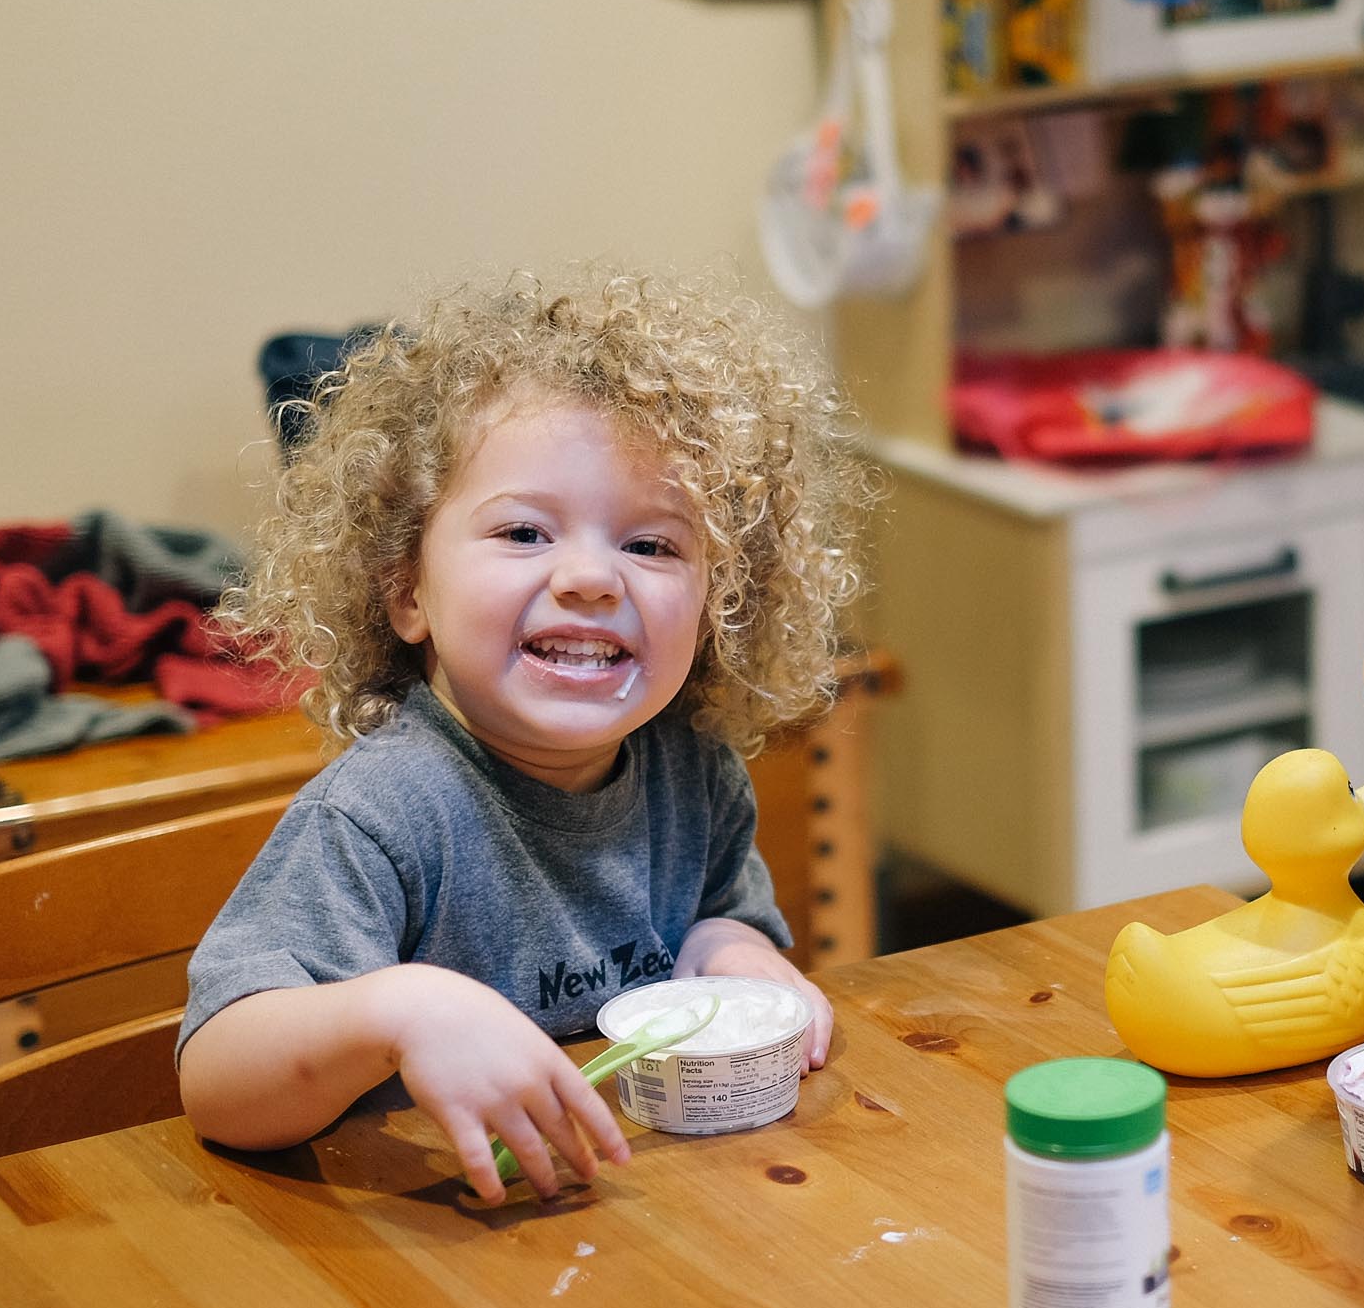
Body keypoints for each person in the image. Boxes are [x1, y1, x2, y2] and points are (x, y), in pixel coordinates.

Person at [179, 270, 869, 1205]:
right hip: (421, 1258)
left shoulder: (690, 772)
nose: (590, 576)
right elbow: (217, 1079)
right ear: (406, 590)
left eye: (653, 545)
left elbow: (723, 912)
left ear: (718, 606)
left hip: (630, 1222)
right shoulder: (384, 813)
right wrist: (400, 1014)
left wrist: (730, 950)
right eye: (524, 532)